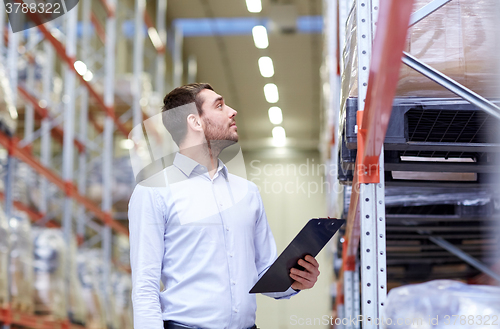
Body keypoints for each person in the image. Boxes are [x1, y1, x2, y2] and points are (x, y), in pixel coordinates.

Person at [128, 83, 320, 329]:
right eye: (219, 105)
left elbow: (265, 273)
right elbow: (145, 286)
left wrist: (295, 280)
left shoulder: (247, 193)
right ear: (195, 122)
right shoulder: (153, 192)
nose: (232, 111)